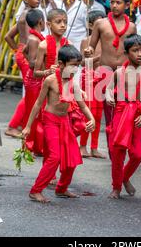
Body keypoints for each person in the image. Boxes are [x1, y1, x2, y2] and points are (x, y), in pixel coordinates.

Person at [22, 45, 95, 203]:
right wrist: (28, 126)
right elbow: (37, 104)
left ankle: (61, 188)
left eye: (77, 65)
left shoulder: (73, 83)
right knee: (54, 157)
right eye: (72, 65)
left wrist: (92, 119)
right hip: (50, 121)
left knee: (73, 157)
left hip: (65, 121)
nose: (75, 69)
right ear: (61, 64)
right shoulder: (50, 80)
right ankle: (36, 190)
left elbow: (82, 105)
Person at [89, 0, 137, 152]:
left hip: (125, 74)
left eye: (119, 3)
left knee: (126, 110)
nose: (114, 6)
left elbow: (134, 50)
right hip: (105, 73)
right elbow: (91, 47)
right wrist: (88, 51)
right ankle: (113, 148)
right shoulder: (100, 23)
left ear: (127, 5)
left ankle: (124, 143)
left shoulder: (131, 27)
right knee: (109, 114)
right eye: (112, 2)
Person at [106, 34, 141, 198]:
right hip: (120, 111)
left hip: (138, 115)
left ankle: (125, 177)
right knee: (117, 153)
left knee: (138, 154)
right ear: (126, 53)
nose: (140, 54)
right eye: (135, 50)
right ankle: (116, 187)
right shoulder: (119, 72)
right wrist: (109, 96)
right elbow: (109, 89)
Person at [4, 0, 41, 138]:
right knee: (32, 93)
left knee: (32, 93)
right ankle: (14, 126)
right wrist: (25, 54)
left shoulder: (25, 14)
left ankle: (21, 124)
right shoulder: (27, 16)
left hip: (22, 54)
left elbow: (8, 36)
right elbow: (30, 41)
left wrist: (17, 51)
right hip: (27, 56)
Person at [79, 10, 106, 159]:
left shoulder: (108, 41)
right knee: (87, 112)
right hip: (88, 77)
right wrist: (97, 58)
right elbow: (82, 62)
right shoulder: (86, 41)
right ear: (91, 25)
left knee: (98, 113)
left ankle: (94, 147)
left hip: (102, 76)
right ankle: (83, 145)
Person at [22, 9, 47, 156]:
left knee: (39, 113)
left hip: (37, 78)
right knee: (33, 112)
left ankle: (38, 146)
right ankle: (28, 146)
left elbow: (24, 51)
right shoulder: (34, 39)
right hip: (34, 80)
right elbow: (32, 63)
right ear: (40, 22)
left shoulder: (36, 38)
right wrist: (45, 59)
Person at [33, 9, 69, 79]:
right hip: (49, 85)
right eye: (58, 22)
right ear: (49, 24)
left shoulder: (69, 44)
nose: (63, 25)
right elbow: (35, 73)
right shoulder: (43, 45)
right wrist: (48, 71)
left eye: (65, 22)